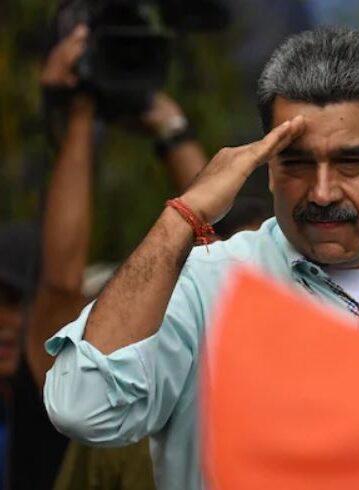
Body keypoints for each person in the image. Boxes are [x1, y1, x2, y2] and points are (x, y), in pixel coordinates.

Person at [43, 26, 359, 489]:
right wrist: (183, 214)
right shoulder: (204, 288)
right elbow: (82, 408)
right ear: (265, 162)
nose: (322, 192)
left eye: (350, 162)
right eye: (297, 163)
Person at [2, 24, 208, 489]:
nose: (5, 322)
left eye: (16, 301)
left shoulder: (118, 394)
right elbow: (60, 284)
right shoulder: (62, 393)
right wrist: (81, 115)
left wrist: (171, 129)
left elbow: (228, 250)